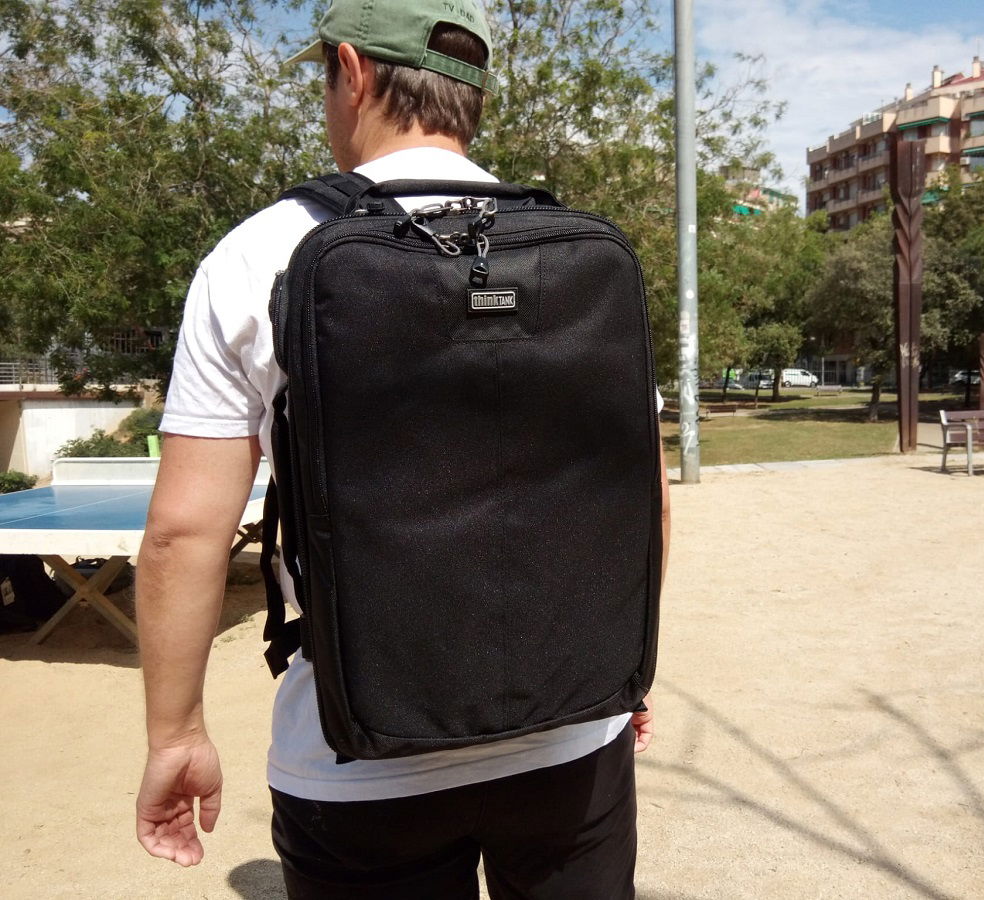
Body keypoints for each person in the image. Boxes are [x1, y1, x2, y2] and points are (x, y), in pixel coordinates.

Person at [133, 2, 669, 896]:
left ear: (352, 70)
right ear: (473, 89)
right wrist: (621, 668)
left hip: (357, 761)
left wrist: (176, 735)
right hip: (573, 734)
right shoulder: (573, 253)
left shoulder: (253, 256)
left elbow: (183, 535)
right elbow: (637, 498)